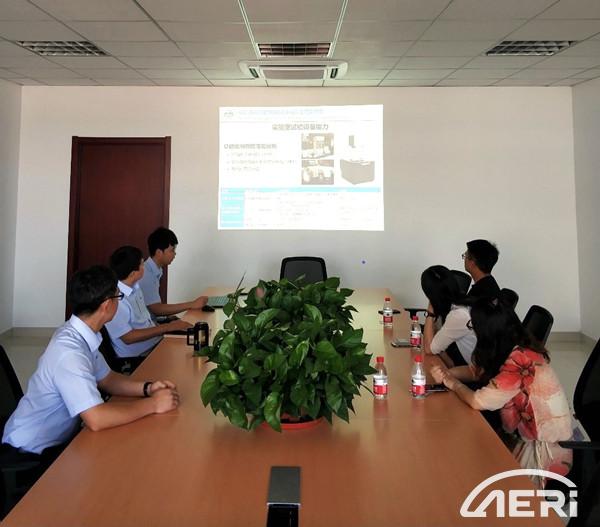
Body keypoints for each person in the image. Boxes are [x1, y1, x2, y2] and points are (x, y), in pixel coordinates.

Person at [1, 265, 180, 475]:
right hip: (30, 456)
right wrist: (153, 405)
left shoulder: (82, 333)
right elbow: (96, 419)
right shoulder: (69, 352)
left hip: (58, 442)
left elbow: (107, 379)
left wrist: (148, 388)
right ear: (107, 305)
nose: (119, 301)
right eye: (118, 296)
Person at [430, 297, 572, 488]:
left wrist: (451, 382)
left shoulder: (521, 360)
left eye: (474, 326)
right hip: (518, 435)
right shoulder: (508, 344)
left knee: (465, 469)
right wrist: (446, 373)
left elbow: (478, 401)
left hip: (541, 452)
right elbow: (475, 371)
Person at [105, 246, 190, 359]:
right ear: (133, 273)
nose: (144, 266)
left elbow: (145, 322)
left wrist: (170, 326)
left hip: (155, 343)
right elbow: (128, 337)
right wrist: (168, 327)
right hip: (138, 356)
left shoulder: (135, 287)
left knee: (192, 344)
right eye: (142, 264)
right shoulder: (117, 298)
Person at [138, 227, 207, 319]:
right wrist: (192, 304)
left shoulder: (156, 270)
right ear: (159, 252)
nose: (174, 254)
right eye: (172, 250)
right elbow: (157, 309)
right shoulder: (146, 274)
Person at [421, 266, 476, 367]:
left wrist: (430, 312)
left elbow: (428, 349)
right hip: (465, 363)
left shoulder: (458, 314)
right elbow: (436, 337)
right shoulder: (460, 303)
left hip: (479, 372)